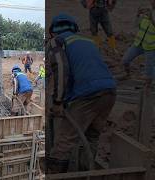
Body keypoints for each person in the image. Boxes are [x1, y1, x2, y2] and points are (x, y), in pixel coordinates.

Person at [46, 13, 116, 173]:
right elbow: (88, 67)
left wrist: (58, 102)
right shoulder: (87, 41)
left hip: (87, 94)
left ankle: (56, 173)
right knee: (92, 136)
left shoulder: (57, 41)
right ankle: (86, 173)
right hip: (110, 91)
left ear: (53, 31)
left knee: (64, 141)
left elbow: (62, 71)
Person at [123, 7, 155, 88]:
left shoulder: (151, 14)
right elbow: (136, 25)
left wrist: (151, 19)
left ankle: (148, 87)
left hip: (150, 47)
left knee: (148, 73)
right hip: (138, 43)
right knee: (125, 60)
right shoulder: (148, 11)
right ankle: (127, 75)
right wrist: (138, 15)